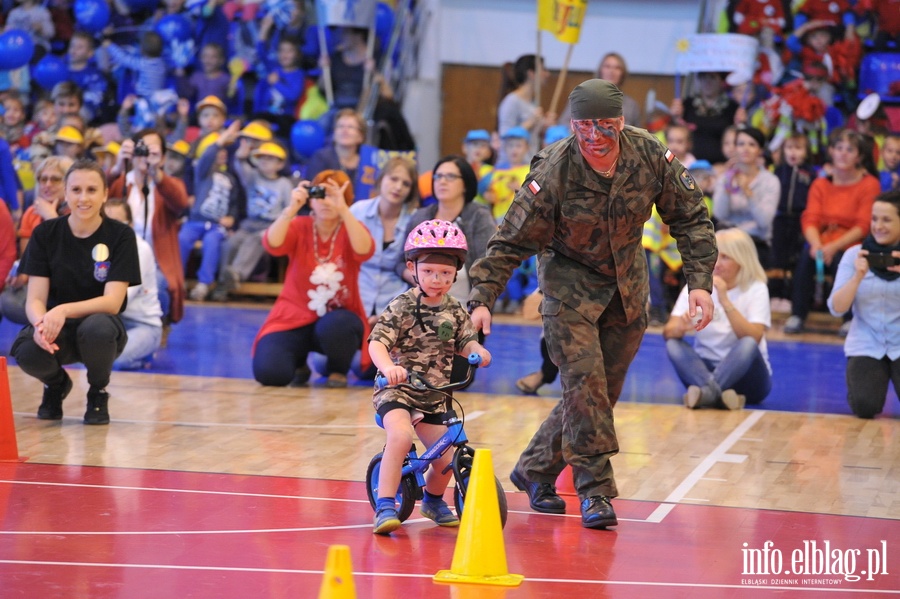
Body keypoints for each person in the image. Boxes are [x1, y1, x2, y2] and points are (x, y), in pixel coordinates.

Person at [467, 79, 717, 530]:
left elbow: (690, 216)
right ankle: (595, 491)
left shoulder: (648, 154)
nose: (596, 137)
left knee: (601, 393)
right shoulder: (554, 170)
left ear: (621, 123)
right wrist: (482, 297)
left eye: (606, 126)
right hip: (567, 283)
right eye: (585, 126)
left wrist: (700, 282)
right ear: (572, 124)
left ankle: (534, 470)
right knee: (585, 384)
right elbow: (509, 241)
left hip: (627, 284)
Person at [369, 219, 492, 535]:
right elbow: (377, 343)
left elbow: (465, 341)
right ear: (412, 268)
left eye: (445, 274)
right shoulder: (403, 305)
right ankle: (384, 505)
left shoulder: (454, 309)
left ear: (455, 274)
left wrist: (477, 351)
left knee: (445, 459)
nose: (436, 279)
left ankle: (434, 500)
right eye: (428, 272)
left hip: (435, 393)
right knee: (399, 437)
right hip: (397, 391)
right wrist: (388, 369)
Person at [10, 159, 141, 425]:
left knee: (97, 328)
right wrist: (39, 322)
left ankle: (97, 391)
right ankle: (56, 384)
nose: (83, 198)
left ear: (105, 194)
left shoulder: (121, 235)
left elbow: (113, 302)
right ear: (65, 194)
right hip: (58, 328)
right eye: (76, 190)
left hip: (101, 330)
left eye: (92, 190)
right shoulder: (46, 233)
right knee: (26, 350)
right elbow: (35, 299)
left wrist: (62, 309)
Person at [252, 170, 374, 389]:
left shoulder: (351, 229)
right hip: (293, 315)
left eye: (334, 195)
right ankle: (298, 363)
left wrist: (344, 210)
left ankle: (338, 369)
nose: (326, 201)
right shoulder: (299, 225)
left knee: (338, 325)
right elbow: (272, 244)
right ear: (311, 197)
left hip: (336, 319)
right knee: (269, 373)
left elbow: (365, 250)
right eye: (320, 193)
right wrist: (292, 208)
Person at [784, 128, 881, 335]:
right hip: (823, 239)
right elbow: (811, 218)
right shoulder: (820, 183)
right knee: (806, 255)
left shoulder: (869, 184)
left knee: (845, 259)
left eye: (850, 149)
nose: (843, 153)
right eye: (839, 148)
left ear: (860, 156)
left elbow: (863, 225)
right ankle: (797, 315)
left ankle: (848, 318)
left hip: (852, 242)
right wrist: (817, 244)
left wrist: (833, 247)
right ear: (832, 152)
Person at [663, 228, 772, 409]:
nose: (717, 263)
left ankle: (706, 394)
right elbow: (668, 332)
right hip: (704, 370)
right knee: (673, 344)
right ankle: (719, 394)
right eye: (714, 256)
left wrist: (724, 300)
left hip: (748, 377)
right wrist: (680, 328)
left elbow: (754, 337)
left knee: (748, 344)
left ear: (741, 260)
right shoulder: (696, 288)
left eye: (725, 257)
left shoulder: (756, 288)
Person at [827, 190, 900, 418]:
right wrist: (857, 277)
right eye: (875, 219)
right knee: (865, 407)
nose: (878, 226)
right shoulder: (854, 255)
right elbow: (836, 308)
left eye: (886, 220)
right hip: (867, 342)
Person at [109, 129, 191, 324]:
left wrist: (156, 173)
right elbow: (95, 195)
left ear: (162, 158)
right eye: (142, 148)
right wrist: (117, 166)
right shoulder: (120, 182)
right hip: (117, 258)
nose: (145, 155)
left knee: (160, 284)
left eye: (153, 151)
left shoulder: (168, 184)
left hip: (156, 262)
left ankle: (156, 325)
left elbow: (180, 203)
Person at [399, 157, 496, 305]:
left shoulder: (478, 216)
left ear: (465, 184)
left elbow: (488, 266)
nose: (442, 181)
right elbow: (400, 262)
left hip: (466, 307)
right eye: (438, 176)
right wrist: (419, 278)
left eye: (450, 176)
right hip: (421, 303)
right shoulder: (420, 217)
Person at [211, 140, 293, 301]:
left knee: (255, 240)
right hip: (249, 222)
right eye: (262, 157)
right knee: (231, 243)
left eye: (270, 158)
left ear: (280, 164)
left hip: (271, 225)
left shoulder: (284, 184)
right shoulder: (252, 176)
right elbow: (241, 166)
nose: (264, 161)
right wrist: (241, 157)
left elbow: (290, 209)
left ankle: (237, 274)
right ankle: (223, 283)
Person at [2, 156, 74, 326]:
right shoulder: (31, 214)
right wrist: (21, 277)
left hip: (71, 285)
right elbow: (29, 260)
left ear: (69, 182)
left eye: (55, 179)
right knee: (7, 301)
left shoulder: (79, 211)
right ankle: (43, 332)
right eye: (43, 179)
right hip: (40, 284)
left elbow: (73, 256)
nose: (47, 184)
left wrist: (51, 218)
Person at [348, 156, 419, 326]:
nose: (398, 187)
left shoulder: (415, 219)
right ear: (381, 179)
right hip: (355, 293)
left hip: (397, 300)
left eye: (406, 183)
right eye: (393, 179)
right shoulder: (358, 211)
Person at [103, 199, 163, 370]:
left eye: (117, 223)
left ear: (129, 224)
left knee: (114, 362)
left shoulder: (139, 250)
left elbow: (119, 301)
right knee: (90, 358)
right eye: (106, 222)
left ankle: (145, 354)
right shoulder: (100, 249)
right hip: (113, 322)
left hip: (143, 325)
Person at [712, 125, 780, 267]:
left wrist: (748, 192)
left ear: (760, 151)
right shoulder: (726, 177)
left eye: (752, 144)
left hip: (754, 241)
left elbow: (764, 221)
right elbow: (719, 214)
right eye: (741, 144)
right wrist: (727, 186)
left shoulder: (770, 181)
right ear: (735, 148)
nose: (745, 149)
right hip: (726, 237)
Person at [497, 54, 556, 164]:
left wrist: (545, 127)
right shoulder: (511, 101)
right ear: (531, 74)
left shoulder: (533, 103)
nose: (547, 74)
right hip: (510, 168)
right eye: (543, 69)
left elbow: (533, 137)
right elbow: (504, 136)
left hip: (528, 165)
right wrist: (530, 122)